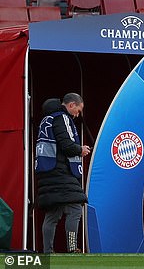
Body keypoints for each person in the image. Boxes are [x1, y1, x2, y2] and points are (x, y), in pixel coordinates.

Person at [36, 93, 91, 253]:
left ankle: (47, 251)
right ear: (71, 105)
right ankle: (73, 248)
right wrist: (80, 149)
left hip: (47, 173)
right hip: (60, 172)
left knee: (53, 212)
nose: (78, 115)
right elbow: (66, 145)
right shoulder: (62, 117)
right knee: (75, 207)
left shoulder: (47, 118)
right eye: (78, 110)